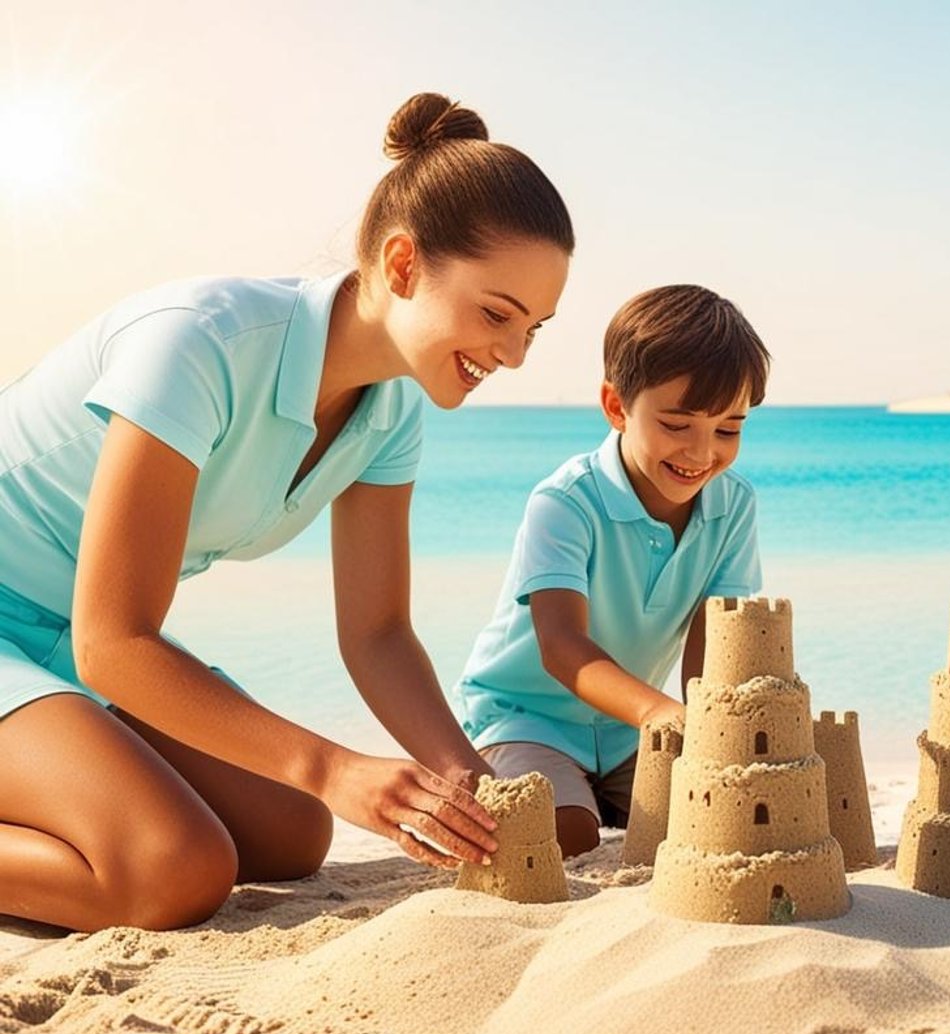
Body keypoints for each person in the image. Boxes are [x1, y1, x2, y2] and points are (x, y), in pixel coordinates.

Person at [0, 92, 573, 932]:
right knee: (176, 867)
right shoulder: (198, 345)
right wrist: (334, 765)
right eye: (497, 314)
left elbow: (376, 632)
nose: (515, 354)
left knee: (291, 828)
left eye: (536, 328)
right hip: (71, 632)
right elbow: (115, 641)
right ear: (405, 264)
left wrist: (470, 787)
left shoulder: (390, 413)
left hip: (60, 634)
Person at [456, 285, 768, 858]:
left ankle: (607, 794)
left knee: (722, 812)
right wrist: (659, 712)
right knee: (564, 833)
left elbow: (713, 643)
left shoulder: (734, 506)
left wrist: (708, 727)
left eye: (728, 429)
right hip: (528, 718)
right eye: (677, 425)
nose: (702, 453)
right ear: (617, 406)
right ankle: (568, 793)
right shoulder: (567, 501)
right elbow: (561, 645)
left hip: (630, 736)